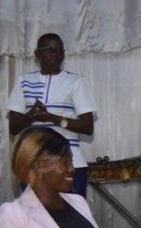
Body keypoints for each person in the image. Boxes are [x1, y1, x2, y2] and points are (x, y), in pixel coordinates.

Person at [9, 33, 96, 196]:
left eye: (59, 50)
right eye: (49, 50)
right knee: (34, 212)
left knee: (72, 212)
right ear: (37, 54)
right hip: (33, 163)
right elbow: (13, 127)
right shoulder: (23, 81)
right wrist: (31, 116)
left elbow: (87, 127)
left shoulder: (76, 82)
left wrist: (52, 118)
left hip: (69, 163)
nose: (56, 54)